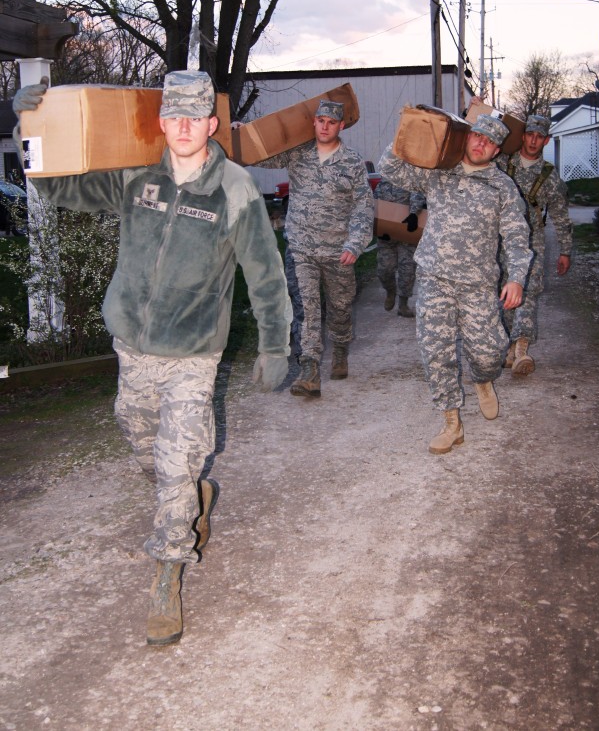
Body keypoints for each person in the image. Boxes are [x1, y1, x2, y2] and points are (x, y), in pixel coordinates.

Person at [13, 71, 292, 647]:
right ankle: (193, 494)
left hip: (193, 355)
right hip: (132, 349)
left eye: (196, 116)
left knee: (173, 466)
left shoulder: (235, 190)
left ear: (212, 124)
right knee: (141, 440)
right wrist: (29, 128)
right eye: (174, 116)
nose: (185, 127)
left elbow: (266, 276)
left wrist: (274, 344)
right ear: (161, 121)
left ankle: (167, 573)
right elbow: (52, 187)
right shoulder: (136, 175)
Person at [378, 114, 532, 455]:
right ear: (467, 137)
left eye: (490, 142)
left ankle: (483, 380)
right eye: (477, 136)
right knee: (436, 352)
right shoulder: (439, 171)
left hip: (478, 284)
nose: (481, 144)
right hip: (434, 277)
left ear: (495, 151)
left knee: (490, 351)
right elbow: (391, 168)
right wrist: (408, 135)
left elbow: (518, 238)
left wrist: (517, 278)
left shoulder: (502, 187)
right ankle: (452, 422)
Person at [258, 99, 374, 397]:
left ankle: (340, 347)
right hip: (301, 249)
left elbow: (363, 207)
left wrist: (355, 244)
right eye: (320, 120)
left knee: (339, 308)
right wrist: (238, 137)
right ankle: (309, 368)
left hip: (339, 252)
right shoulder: (298, 154)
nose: (324, 126)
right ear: (314, 122)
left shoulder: (351, 162)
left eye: (331, 122)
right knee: (306, 310)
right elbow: (261, 157)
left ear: (341, 126)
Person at [496, 112, 572, 375]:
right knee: (504, 294)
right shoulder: (503, 162)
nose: (533, 141)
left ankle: (521, 349)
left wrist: (565, 250)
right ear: (523, 135)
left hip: (533, 243)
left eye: (539, 137)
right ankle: (508, 347)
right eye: (530, 135)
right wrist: (472, 108)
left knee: (529, 293)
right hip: (500, 241)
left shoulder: (550, 177)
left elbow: (561, 215)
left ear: (546, 141)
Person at [374, 177, 426, 317]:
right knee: (384, 270)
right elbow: (373, 206)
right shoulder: (381, 185)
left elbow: (418, 194)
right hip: (386, 237)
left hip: (407, 233)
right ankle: (390, 291)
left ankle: (403, 304)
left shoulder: (411, 179)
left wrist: (414, 214)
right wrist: (378, 227)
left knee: (407, 271)